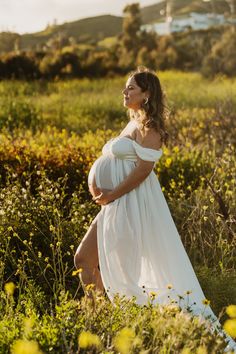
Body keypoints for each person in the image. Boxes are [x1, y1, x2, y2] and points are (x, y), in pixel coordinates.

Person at [74, 67, 236, 352]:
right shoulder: (132, 124)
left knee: (124, 276)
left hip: (129, 207)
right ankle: (100, 317)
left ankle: (117, 326)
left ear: (147, 94)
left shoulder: (152, 128)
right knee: (84, 259)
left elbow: (143, 171)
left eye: (131, 88)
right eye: (125, 87)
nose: (125, 92)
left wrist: (111, 194)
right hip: (113, 207)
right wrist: (102, 192)